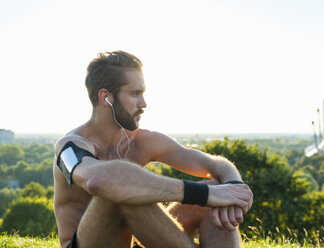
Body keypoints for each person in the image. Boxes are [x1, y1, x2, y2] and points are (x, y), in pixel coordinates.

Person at [53, 50, 253, 248]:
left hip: (132, 243)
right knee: (118, 191)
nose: (144, 103)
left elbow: (214, 163)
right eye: (135, 94)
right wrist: (202, 194)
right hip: (86, 244)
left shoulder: (142, 141)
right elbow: (98, 180)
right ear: (106, 98)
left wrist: (235, 189)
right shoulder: (70, 147)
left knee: (217, 187)